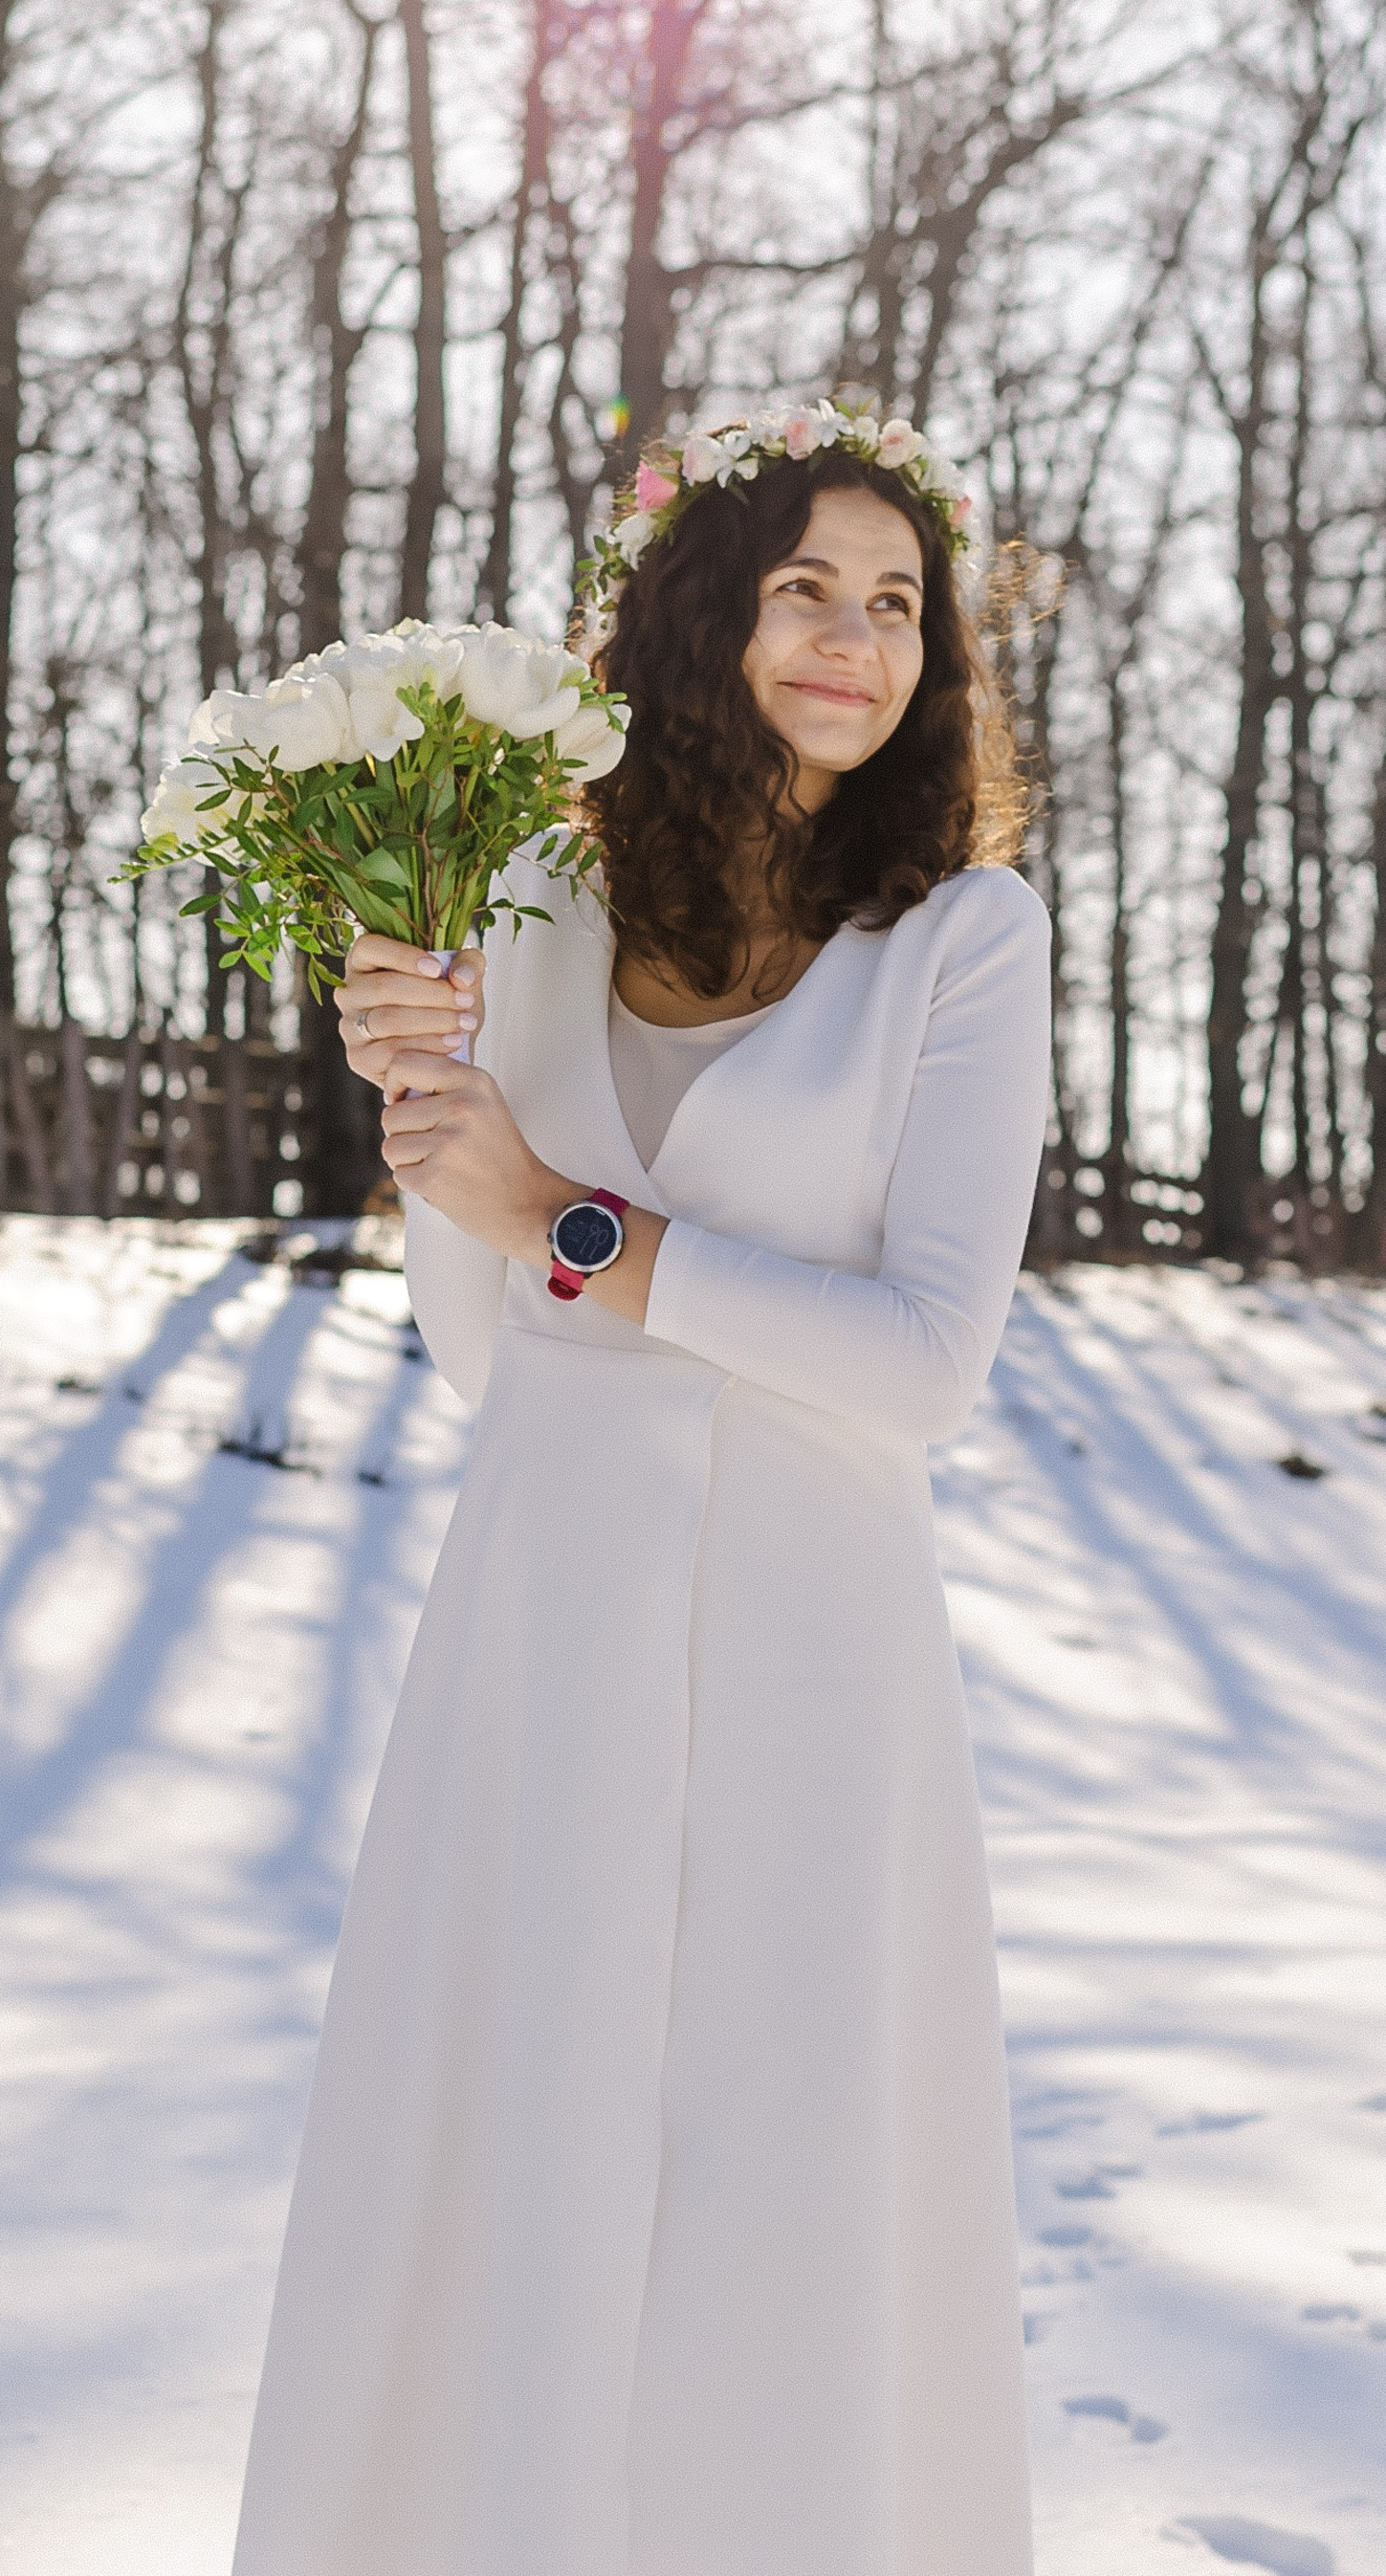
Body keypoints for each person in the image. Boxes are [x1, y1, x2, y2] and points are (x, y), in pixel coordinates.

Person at [231, 408, 1053, 2576]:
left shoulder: (964, 939)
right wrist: (432, 1099)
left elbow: (926, 1366)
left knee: (782, 2186)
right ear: (704, 608)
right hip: (548, 1611)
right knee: (518, 2153)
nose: (856, 641)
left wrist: (578, 1225)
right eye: (808, 586)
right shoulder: (532, 895)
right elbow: (484, 1334)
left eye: (899, 604)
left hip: (818, 1640)